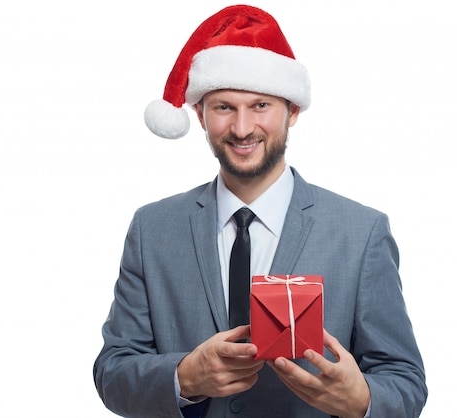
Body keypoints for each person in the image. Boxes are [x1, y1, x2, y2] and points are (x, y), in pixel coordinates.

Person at [93, 5, 427, 418]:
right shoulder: (152, 228)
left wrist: (363, 402)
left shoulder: (361, 232)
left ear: (292, 111)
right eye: (223, 107)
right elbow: (112, 371)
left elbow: (406, 380)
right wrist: (184, 377)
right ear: (198, 114)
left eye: (261, 105)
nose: (242, 128)